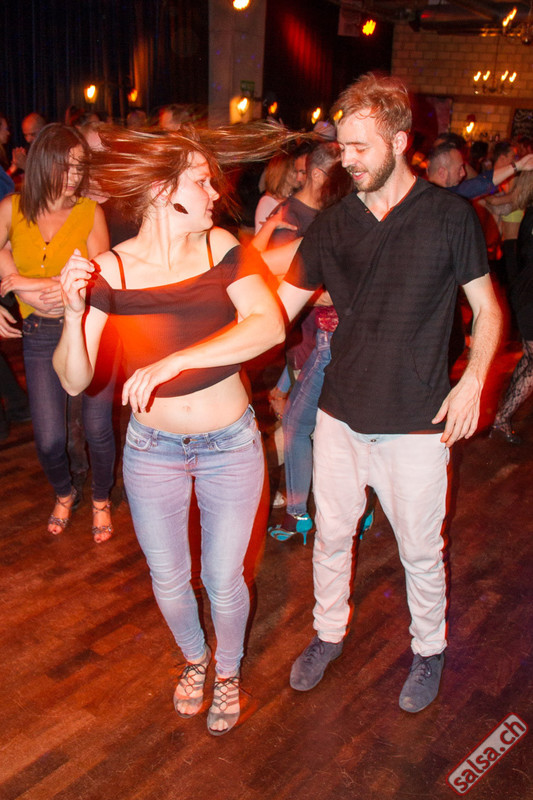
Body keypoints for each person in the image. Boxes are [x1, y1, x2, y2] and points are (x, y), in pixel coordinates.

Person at [278, 74, 502, 713]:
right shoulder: (333, 225)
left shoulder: (450, 217)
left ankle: (429, 649)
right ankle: (328, 633)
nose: (346, 160)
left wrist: (473, 380)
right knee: (331, 537)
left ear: (400, 142)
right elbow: (278, 311)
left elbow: (488, 309)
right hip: (340, 417)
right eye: (342, 147)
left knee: (421, 551)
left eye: (359, 148)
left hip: (417, 424)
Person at [52, 125, 285, 735]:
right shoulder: (111, 270)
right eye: (201, 181)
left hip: (229, 443)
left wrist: (175, 361)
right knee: (170, 579)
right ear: (162, 191)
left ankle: (227, 671)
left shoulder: (222, 248)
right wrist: (74, 316)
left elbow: (268, 325)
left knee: (223, 579)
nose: (214, 193)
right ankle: (195, 659)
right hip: (152, 449)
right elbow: (74, 379)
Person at [0, 122, 115, 541]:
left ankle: (100, 498)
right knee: (49, 438)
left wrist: (25, 283)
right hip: (39, 332)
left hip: (90, 330)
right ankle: (65, 492)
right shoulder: (12, 209)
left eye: (79, 167)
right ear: (42, 163)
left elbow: (104, 280)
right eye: (64, 166)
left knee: (98, 429)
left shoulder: (90, 212)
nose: (73, 177)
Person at [490, 172, 533, 444]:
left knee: (529, 359)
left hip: (525, 290)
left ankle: (501, 417)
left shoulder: (527, 211)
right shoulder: (528, 213)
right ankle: (501, 417)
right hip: (529, 292)